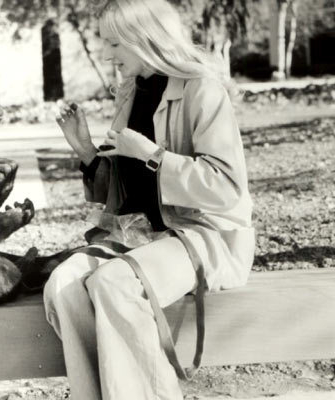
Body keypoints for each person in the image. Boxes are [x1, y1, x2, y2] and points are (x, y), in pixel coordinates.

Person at [43, 0, 255, 398]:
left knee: (114, 284)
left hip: (203, 237)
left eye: (115, 44)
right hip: (143, 237)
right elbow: (129, 189)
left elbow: (226, 187)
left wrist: (154, 156)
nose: (108, 55)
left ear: (145, 39)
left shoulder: (201, 90)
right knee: (63, 285)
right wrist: (88, 152)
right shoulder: (131, 93)